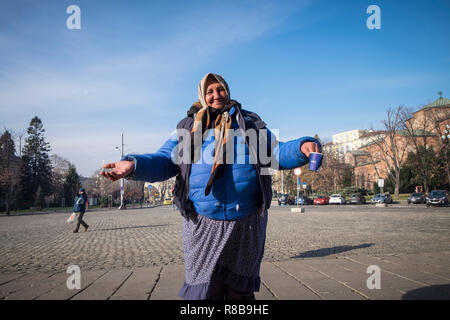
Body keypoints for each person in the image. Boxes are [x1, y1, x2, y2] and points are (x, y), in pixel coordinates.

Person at [101, 73, 321, 300]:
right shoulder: (189, 126)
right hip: (202, 223)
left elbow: (274, 152)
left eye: (220, 89)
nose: (216, 95)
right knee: (205, 292)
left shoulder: (249, 122)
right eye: (210, 91)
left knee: (240, 293)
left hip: (245, 224)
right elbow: (166, 159)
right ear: (202, 96)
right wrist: (135, 164)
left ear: (228, 91)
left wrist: (300, 147)